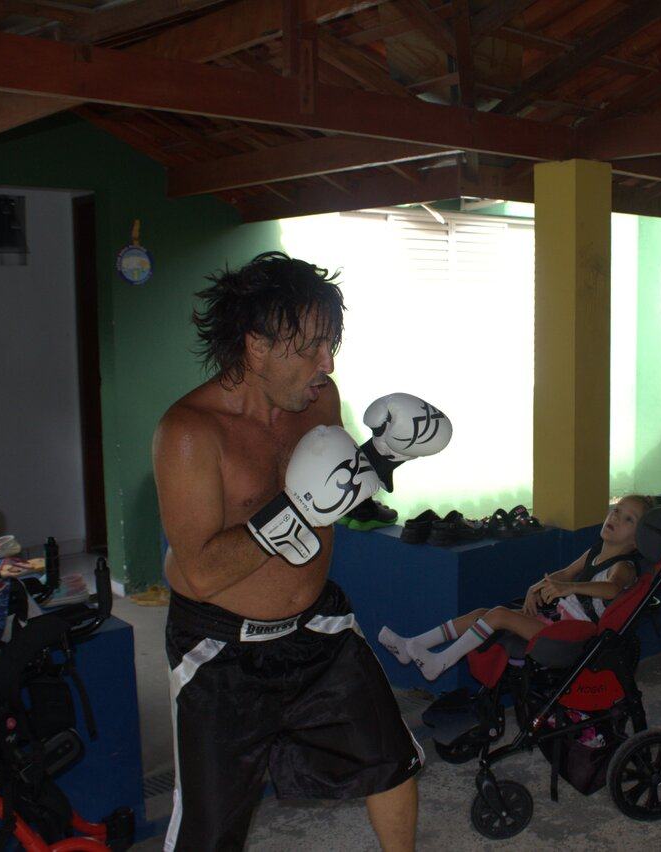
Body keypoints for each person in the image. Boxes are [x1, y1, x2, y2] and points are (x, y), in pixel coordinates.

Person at [152, 252, 450, 852]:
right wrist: (289, 515)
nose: (327, 363)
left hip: (318, 626)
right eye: (312, 346)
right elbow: (201, 572)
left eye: (330, 344)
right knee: (210, 830)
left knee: (391, 759)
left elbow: (334, 489)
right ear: (256, 345)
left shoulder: (319, 399)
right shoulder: (189, 432)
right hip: (221, 648)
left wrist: (383, 456)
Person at [377, 496, 652, 681]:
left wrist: (568, 588)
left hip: (571, 636)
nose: (616, 517)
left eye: (629, 519)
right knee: (481, 614)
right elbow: (565, 573)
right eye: (617, 510)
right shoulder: (595, 551)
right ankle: (413, 645)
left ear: (639, 539)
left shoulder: (624, 567)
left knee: (499, 614)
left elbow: (612, 589)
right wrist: (538, 586)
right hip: (557, 620)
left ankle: (441, 663)